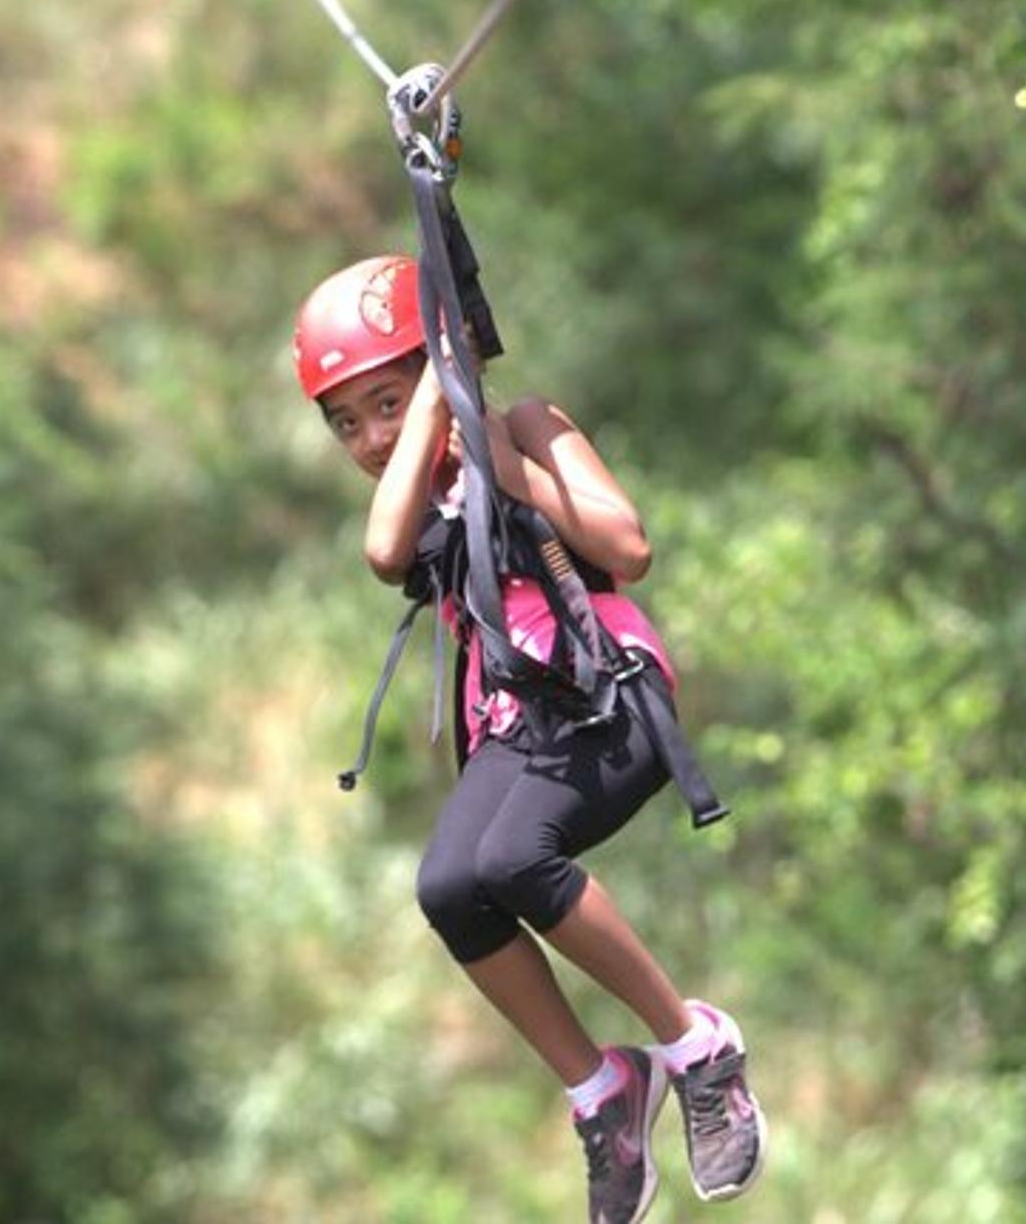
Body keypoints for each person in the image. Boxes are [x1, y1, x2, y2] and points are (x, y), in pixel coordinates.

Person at [292, 255, 767, 1222]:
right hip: (514, 723)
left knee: (513, 857)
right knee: (449, 887)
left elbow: (627, 545)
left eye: (387, 404)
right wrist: (436, 401)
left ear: (434, 371)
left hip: (605, 693)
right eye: (346, 422)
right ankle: (603, 1091)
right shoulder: (415, 501)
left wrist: (501, 460)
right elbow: (383, 551)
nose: (371, 438)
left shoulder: (529, 427)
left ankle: (696, 1045)